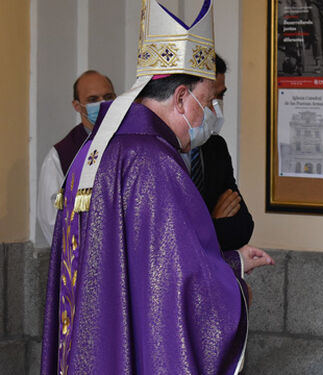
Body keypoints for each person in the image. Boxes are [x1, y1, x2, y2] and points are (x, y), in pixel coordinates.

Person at [40, 1, 274, 374]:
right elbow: (178, 279)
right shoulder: (153, 162)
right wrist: (234, 270)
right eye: (209, 100)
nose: (210, 113)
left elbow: (144, 265)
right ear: (182, 98)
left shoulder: (100, 148)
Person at [36, 70, 116, 244]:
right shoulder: (60, 156)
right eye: (93, 100)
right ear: (77, 105)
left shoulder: (132, 143)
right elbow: (51, 220)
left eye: (108, 96)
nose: (103, 104)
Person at [185, 54, 254, 251]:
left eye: (220, 96)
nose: (215, 110)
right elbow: (171, 241)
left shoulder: (215, 147)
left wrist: (206, 229)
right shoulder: (159, 151)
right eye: (209, 99)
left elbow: (243, 228)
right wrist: (212, 221)